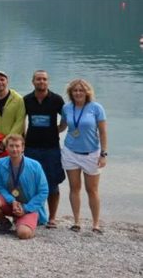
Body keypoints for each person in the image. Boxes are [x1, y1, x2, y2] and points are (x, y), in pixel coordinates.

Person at [61, 79, 108, 234]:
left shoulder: (96, 108)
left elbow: (102, 132)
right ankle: (76, 221)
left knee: (92, 190)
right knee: (74, 188)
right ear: (71, 93)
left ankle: (95, 224)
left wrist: (103, 154)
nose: (78, 93)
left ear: (87, 92)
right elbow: (62, 127)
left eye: (81, 90)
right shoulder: (67, 108)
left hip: (91, 153)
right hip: (70, 152)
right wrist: (43, 134)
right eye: (75, 90)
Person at [23, 70, 66, 228]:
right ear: (33, 81)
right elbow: (22, 119)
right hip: (31, 147)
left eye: (44, 79)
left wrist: (59, 129)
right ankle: (33, 213)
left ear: (48, 82)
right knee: (30, 182)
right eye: (38, 79)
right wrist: (22, 137)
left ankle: (52, 217)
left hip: (51, 147)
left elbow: (66, 117)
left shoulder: (56, 99)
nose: (41, 82)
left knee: (52, 183)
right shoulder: (27, 100)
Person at [0, 134, 48, 239]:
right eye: (11, 146)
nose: (14, 149)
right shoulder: (0, 163)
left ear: (23, 147)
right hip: (11, 203)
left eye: (17, 146)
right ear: (6, 148)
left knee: (23, 234)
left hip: (28, 206)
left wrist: (25, 209)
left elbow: (43, 191)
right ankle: (5, 223)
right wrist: (11, 200)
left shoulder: (35, 166)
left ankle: (24, 222)